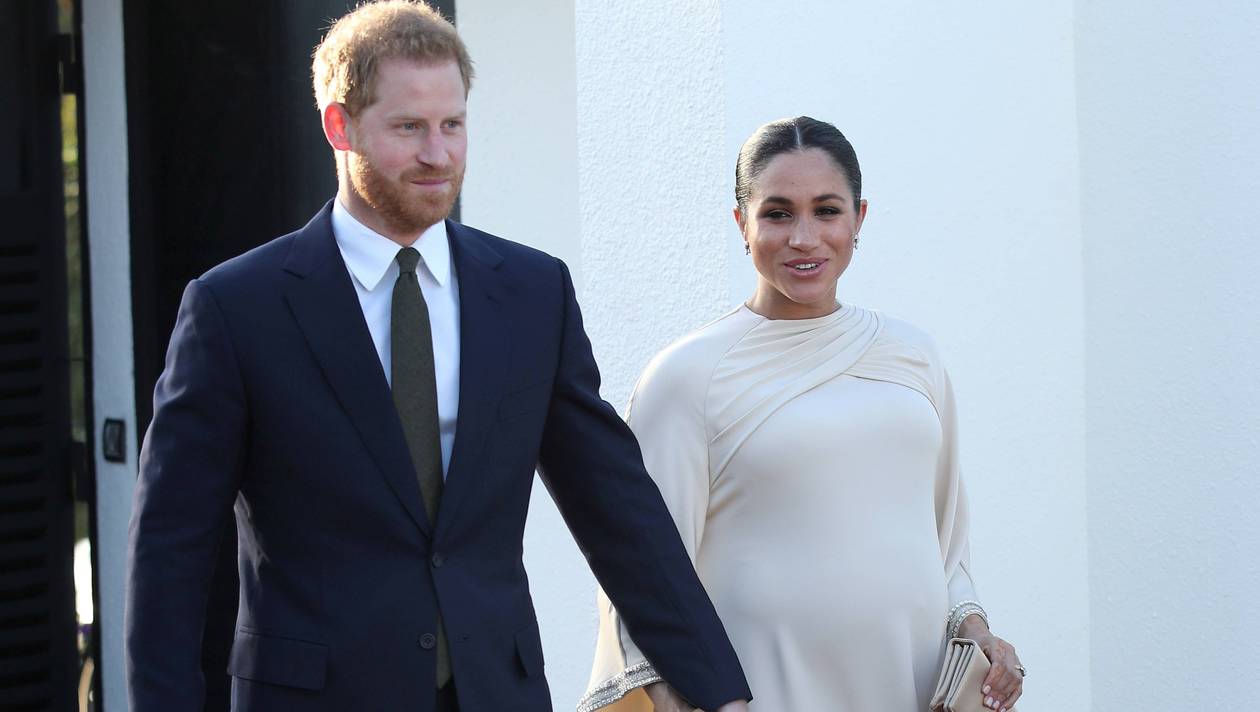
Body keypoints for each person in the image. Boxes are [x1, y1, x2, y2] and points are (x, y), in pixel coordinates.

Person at [124, 3, 752, 711]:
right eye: (408, 128)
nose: (439, 153)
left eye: (453, 125)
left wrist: (716, 691)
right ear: (340, 125)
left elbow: (617, 506)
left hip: (497, 692)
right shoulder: (237, 308)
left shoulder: (532, 292)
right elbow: (170, 547)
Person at [582, 117, 1025, 712]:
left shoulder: (914, 355)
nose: (804, 237)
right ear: (742, 223)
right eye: (778, 213)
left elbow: (945, 548)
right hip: (760, 692)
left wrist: (977, 633)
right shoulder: (686, 377)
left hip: (910, 684)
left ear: (859, 219)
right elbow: (645, 578)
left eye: (827, 210)